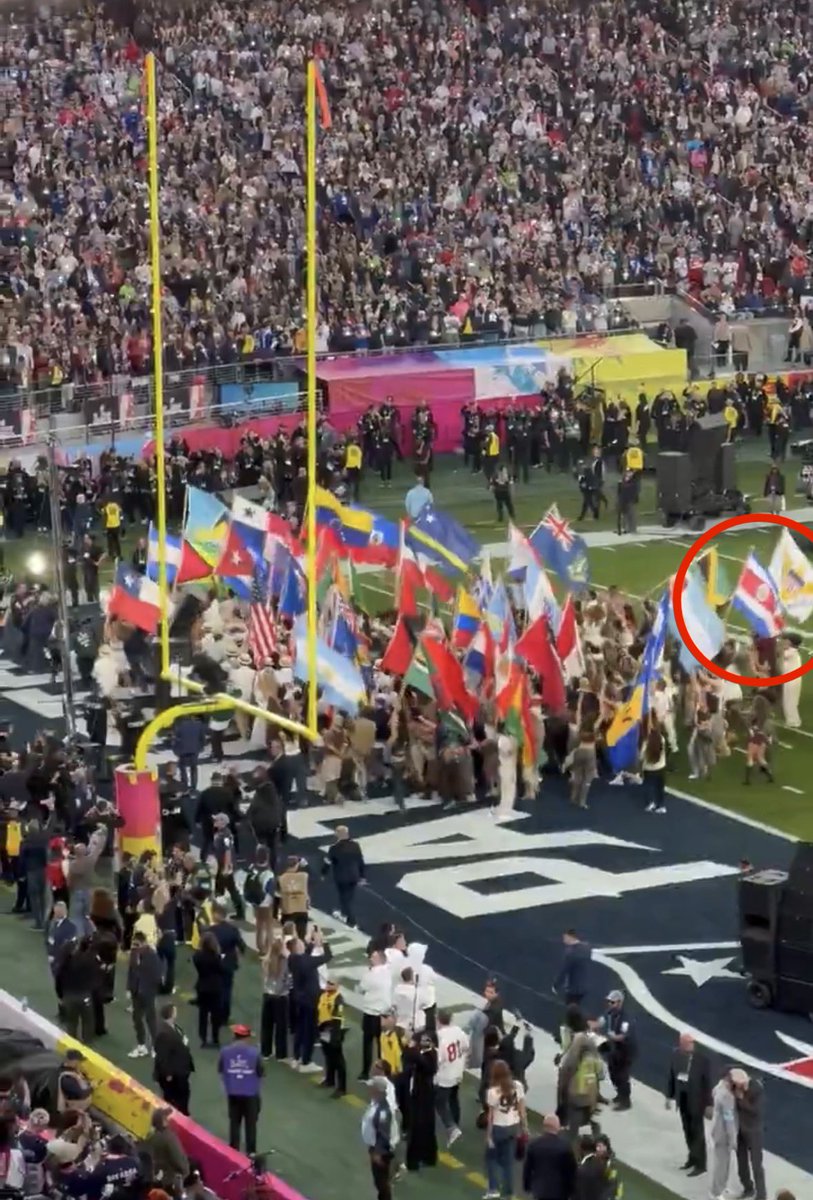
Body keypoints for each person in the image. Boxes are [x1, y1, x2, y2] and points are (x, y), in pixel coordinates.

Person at [665, 1032, 712, 1177]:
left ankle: (701, 1164)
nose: (690, 1045)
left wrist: (709, 1104)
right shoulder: (676, 1056)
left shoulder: (702, 1060)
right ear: (681, 1044)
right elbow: (672, 1077)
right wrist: (669, 1096)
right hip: (683, 1099)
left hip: (697, 1101)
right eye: (687, 1043)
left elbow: (707, 1083)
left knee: (697, 1133)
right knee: (687, 1131)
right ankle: (692, 1157)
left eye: (691, 1043)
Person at [483, 1058, 528, 1200]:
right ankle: (508, 1192)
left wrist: (488, 1135)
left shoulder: (492, 1092)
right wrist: (525, 1128)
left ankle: (493, 1188)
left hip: (498, 1128)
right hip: (513, 1127)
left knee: (491, 1158)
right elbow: (522, 1110)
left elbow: (491, 1116)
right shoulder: (518, 1086)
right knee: (508, 1162)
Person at [218, 1024, 263, 1156]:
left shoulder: (225, 1051)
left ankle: (233, 1151)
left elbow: (221, 1069)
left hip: (233, 1093)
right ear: (246, 1037)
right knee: (251, 1124)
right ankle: (251, 1151)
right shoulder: (254, 1053)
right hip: (250, 1093)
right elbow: (261, 1071)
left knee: (234, 1122)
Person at [435, 1009, 469, 1148]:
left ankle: (452, 1127)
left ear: (438, 1020)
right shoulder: (458, 1031)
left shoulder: (439, 1037)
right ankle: (456, 1123)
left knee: (440, 1102)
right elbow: (466, 1047)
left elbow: (439, 1059)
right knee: (454, 1098)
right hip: (457, 1071)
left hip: (445, 1076)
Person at [152, 1002, 195, 1115]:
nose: (176, 1012)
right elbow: (162, 1056)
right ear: (171, 1014)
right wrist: (168, 1074)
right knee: (175, 1097)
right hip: (174, 1074)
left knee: (184, 1094)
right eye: (175, 1011)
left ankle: (182, 1114)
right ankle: (179, 1116)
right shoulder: (164, 1033)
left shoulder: (174, 1027)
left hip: (180, 1070)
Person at [522, 1114, 577, 1200]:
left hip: (539, 1190)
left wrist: (527, 1186)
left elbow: (527, 1168)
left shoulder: (534, 1145)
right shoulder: (565, 1147)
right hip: (559, 1191)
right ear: (557, 1127)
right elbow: (571, 1171)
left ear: (544, 1127)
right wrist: (571, 1190)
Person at [597, 990, 636, 1111]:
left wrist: (614, 1037)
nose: (610, 1004)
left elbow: (623, 1036)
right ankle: (619, 1094)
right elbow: (600, 1022)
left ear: (620, 1003)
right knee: (613, 1072)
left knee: (622, 1075)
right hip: (615, 1047)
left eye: (612, 1002)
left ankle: (626, 1101)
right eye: (609, 1001)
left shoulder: (626, 1018)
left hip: (626, 1049)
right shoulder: (609, 1013)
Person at [127, 929, 163, 1058]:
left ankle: (155, 1047)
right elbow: (131, 971)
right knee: (137, 1019)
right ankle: (141, 1045)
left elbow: (157, 975)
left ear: (144, 943)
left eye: (137, 944)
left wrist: (150, 988)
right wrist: (129, 988)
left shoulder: (152, 956)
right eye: (134, 944)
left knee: (150, 1020)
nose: (135, 947)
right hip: (136, 992)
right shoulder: (133, 953)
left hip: (148, 992)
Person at [362, 1074, 398, 1200]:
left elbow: (383, 1133)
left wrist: (378, 1153)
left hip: (381, 1150)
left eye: (371, 1087)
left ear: (378, 1091)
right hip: (376, 1147)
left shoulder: (383, 1111)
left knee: (381, 1182)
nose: (369, 1089)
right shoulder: (376, 1103)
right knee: (380, 1181)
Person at [324, 825, 366, 928]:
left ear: (338, 834)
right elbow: (360, 861)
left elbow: (328, 862)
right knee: (349, 898)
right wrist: (362, 876)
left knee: (344, 899)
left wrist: (323, 873)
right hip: (354, 876)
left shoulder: (334, 848)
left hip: (341, 878)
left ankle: (352, 921)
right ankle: (345, 914)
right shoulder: (355, 846)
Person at [359, 951, 393, 1081]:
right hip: (383, 1014)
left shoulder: (369, 975)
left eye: (373, 957)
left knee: (367, 1044)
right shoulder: (388, 972)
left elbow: (362, 988)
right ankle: (383, 1073)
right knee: (382, 1045)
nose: (370, 958)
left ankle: (365, 1072)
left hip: (370, 1013)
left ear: (379, 959)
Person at [733, 1069, 767, 1200]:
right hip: (740, 1130)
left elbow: (755, 1111)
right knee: (741, 1163)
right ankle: (748, 1188)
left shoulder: (757, 1089)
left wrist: (741, 1099)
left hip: (754, 1131)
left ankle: (761, 1195)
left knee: (756, 1164)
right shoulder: (736, 1088)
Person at [140, 1107, 190, 1195]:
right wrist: (185, 1173)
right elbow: (180, 1162)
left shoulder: (151, 1138)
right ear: (164, 1122)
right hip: (168, 1183)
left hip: (154, 1181)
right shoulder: (169, 1138)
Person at [192, 930, 228, 1049]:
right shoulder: (216, 957)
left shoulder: (197, 956)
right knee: (215, 1015)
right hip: (215, 988)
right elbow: (222, 970)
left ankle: (203, 1039)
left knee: (203, 1014)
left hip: (202, 987)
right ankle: (215, 1039)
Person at [710, 1068, 740, 1200]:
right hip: (723, 1134)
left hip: (717, 1129)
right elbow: (729, 1120)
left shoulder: (719, 1087)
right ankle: (716, 1192)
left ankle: (722, 1187)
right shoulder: (727, 1096)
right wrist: (733, 1139)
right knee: (722, 1164)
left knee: (724, 1163)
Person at [260, 937, 291, 1062]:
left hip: (268, 995)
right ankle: (280, 1054)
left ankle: (265, 1051)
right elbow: (288, 980)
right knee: (281, 1027)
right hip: (281, 997)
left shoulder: (266, 961)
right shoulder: (285, 962)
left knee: (266, 1025)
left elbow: (264, 977)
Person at [317, 975, 347, 1097]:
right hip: (323, 1030)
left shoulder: (338, 999)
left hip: (334, 1032)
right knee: (328, 1057)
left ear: (337, 986)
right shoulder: (323, 995)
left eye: (332, 984)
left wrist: (335, 1037)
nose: (329, 985)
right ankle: (330, 1080)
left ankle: (342, 1088)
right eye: (328, 983)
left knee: (338, 1061)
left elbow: (337, 1019)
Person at [242, 846, 275, 956]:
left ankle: (260, 947)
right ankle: (268, 947)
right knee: (269, 926)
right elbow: (270, 891)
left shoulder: (252, 868)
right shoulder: (269, 873)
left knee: (259, 925)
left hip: (255, 901)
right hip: (266, 903)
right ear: (267, 857)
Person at [553, 930, 592, 1007]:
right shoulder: (587, 948)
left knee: (571, 1009)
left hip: (573, 988)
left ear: (570, 937)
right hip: (585, 987)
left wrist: (556, 985)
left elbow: (564, 970)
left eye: (564, 938)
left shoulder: (570, 952)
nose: (563, 941)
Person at [574, 1134, 611, 1200]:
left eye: (600, 1146)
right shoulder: (590, 1160)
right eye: (597, 1146)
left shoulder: (610, 1165)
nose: (597, 1149)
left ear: (606, 1147)